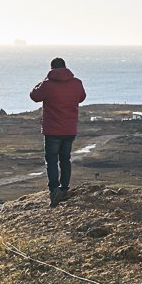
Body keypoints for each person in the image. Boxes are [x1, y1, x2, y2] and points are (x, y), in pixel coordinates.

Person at [30, 57, 86, 207]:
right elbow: (81, 98)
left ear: (51, 69)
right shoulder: (77, 83)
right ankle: (64, 188)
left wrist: (42, 82)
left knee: (52, 161)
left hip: (52, 130)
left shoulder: (47, 84)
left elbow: (34, 96)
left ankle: (54, 190)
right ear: (65, 67)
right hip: (69, 129)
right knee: (65, 159)